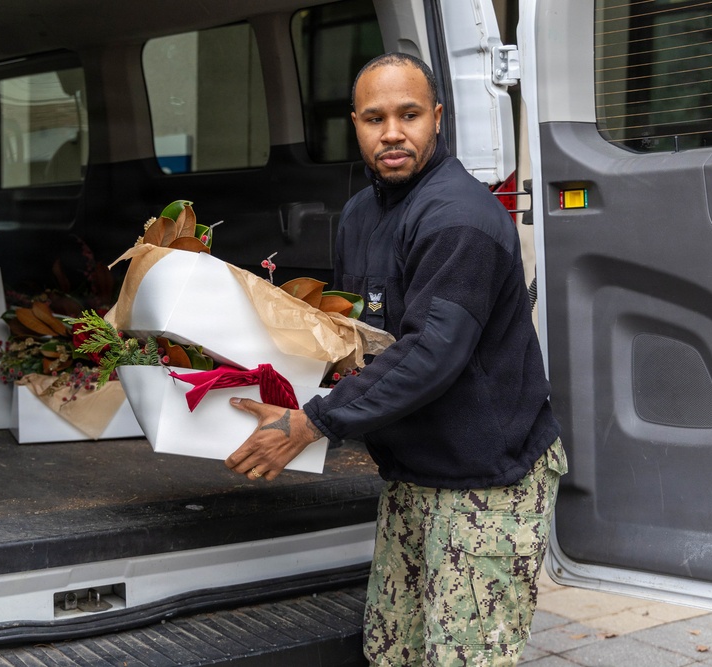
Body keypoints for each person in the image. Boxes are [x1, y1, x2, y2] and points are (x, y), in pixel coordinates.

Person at [225, 52, 566, 666]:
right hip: (412, 474)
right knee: (393, 652)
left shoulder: (459, 218)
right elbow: (353, 333)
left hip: (489, 480)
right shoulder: (360, 216)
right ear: (354, 124)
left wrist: (315, 420)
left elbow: (434, 352)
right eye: (374, 118)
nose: (392, 133)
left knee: (464, 658)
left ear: (437, 118)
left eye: (409, 115)